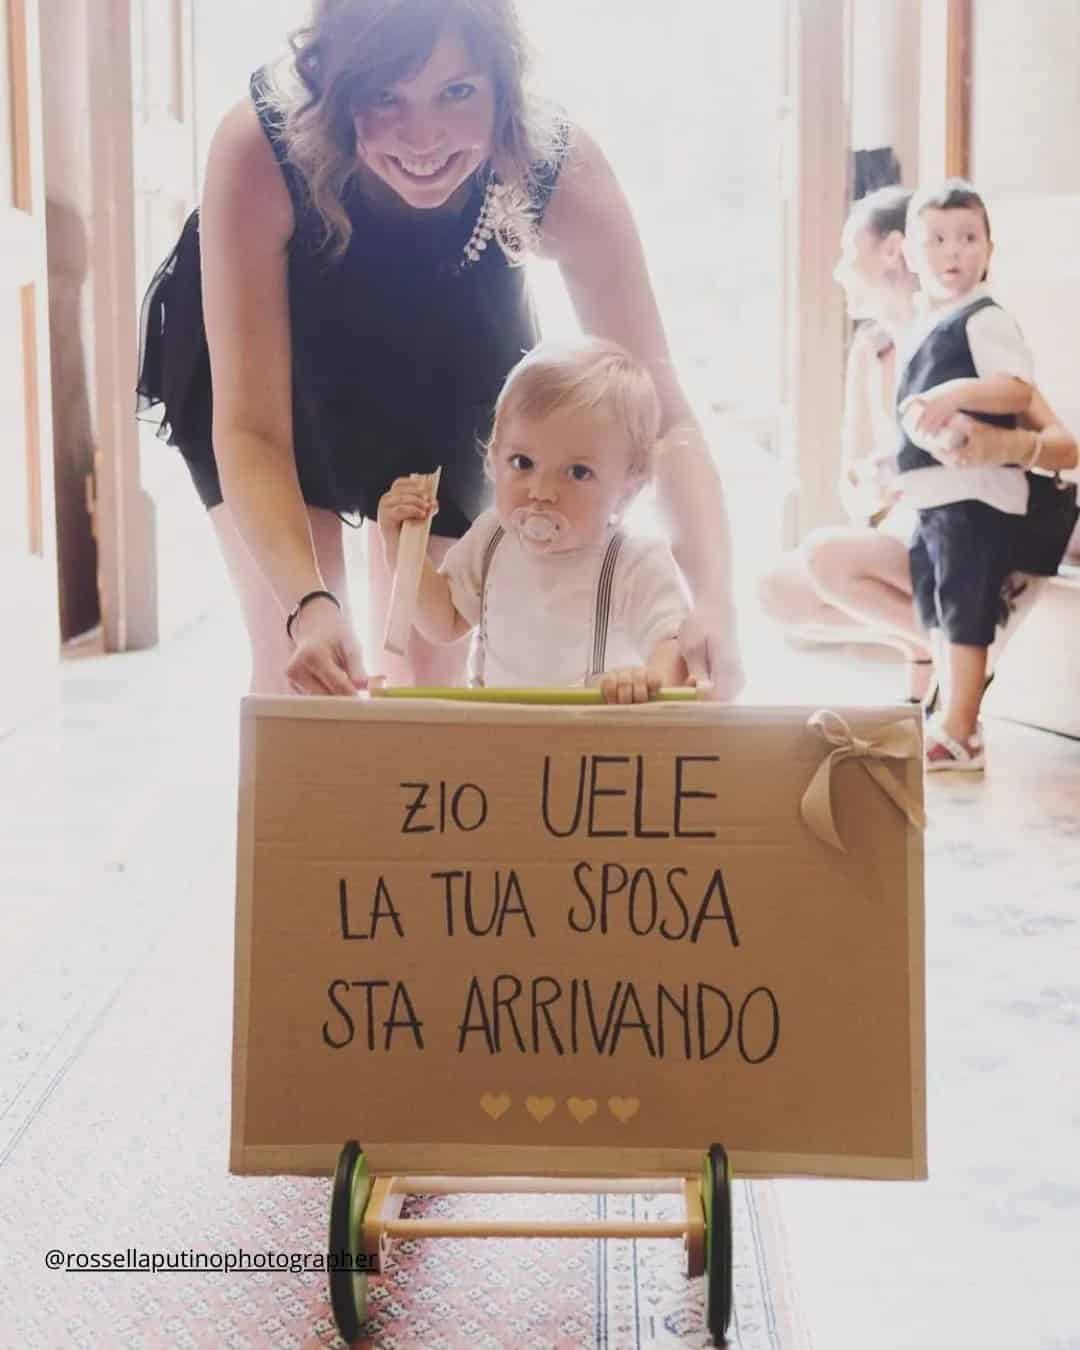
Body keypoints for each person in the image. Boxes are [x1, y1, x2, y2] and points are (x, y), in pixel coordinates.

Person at [136, 0, 741, 700]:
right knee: (300, 668)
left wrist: (716, 602)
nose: (422, 139)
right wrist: (310, 603)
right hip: (279, 357)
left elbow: (664, 416)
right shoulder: (258, 149)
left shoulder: (555, 166)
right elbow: (252, 428)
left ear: (503, 85)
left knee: (431, 664)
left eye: (456, 92)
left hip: (450, 357)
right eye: (384, 96)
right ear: (333, 89)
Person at [757, 185, 1078, 761]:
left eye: (846, 251)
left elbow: (1062, 446)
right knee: (780, 586)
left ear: (894, 250)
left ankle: (958, 684)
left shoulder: (977, 330)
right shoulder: (888, 347)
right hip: (925, 516)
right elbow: (877, 476)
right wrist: (879, 478)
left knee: (843, 562)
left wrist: (1000, 443)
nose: (836, 271)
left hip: (987, 517)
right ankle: (939, 677)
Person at [377, 338, 690, 702]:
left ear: (627, 488)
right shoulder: (491, 537)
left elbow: (673, 643)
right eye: (523, 463)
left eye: (577, 472)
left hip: (588, 742)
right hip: (501, 735)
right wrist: (401, 546)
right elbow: (443, 621)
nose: (541, 491)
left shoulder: (633, 561)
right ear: (494, 457)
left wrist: (647, 679)